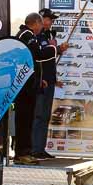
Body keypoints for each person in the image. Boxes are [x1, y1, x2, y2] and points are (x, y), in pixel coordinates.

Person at [14, 13, 57, 165]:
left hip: (29, 83)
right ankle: (23, 153)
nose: (41, 28)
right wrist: (54, 48)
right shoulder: (27, 34)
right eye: (40, 25)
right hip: (24, 87)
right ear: (36, 23)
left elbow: (31, 61)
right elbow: (37, 55)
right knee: (25, 120)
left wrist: (39, 80)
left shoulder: (25, 34)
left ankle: (22, 153)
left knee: (27, 119)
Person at [31, 9, 68, 159]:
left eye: (51, 20)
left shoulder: (49, 35)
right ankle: (33, 148)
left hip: (50, 81)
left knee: (46, 116)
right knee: (38, 115)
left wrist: (54, 78)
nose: (50, 22)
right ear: (40, 20)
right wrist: (57, 48)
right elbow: (39, 56)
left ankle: (41, 148)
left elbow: (49, 60)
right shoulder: (35, 36)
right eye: (48, 19)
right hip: (40, 83)